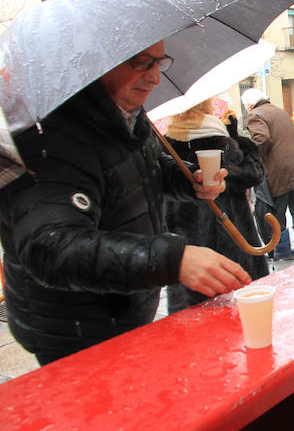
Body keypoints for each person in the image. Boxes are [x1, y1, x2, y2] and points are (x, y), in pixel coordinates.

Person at [0, 42, 252, 365]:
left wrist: (189, 179)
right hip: (74, 330)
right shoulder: (50, 134)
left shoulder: (126, 114)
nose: (155, 78)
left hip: (123, 309)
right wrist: (173, 260)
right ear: (97, 62)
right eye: (141, 62)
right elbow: (51, 246)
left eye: (159, 62)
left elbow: (142, 169)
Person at [164, 99, 270, 313]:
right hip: (230, 231)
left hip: (187, 244)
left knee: (193, 315)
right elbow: (253, 173)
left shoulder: (166, 142)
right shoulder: (219, 137)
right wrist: (237, 138)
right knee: (235, 309)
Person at [241, 88, 294, 261]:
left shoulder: (255, 115)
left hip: (279, 173)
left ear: (249, 104)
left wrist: (253, 158)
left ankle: (282, 250)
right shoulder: (279, 111)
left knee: (277, 214)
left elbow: (262, 139)